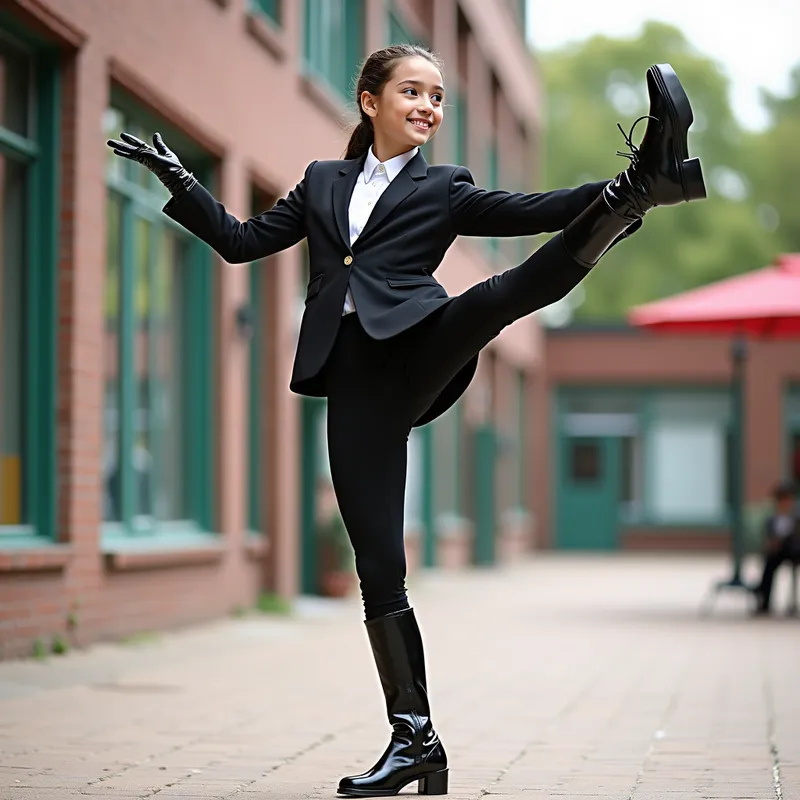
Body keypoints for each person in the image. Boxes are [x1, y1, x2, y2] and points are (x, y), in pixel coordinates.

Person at [107, 44, 706, 797]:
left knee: (495, 298)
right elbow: (241, 242)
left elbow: (536, 210)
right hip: (354, 382)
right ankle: (416, 740)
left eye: (438, 96)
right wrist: (182, 180)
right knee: (378, 571)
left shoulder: (445, 187)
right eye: (413, 92)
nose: (428, 107)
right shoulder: (321, 183)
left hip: (420, 346)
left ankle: (638, 187)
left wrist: (608, 194)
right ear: (370, 101)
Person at [752, 482, 800, 615]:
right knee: (769, 564)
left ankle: (792, 604)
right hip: (778, 552)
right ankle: (764, 600)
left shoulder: (796, 517)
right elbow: (768, 537)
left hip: (795, 551)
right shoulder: (771, 519)